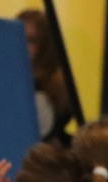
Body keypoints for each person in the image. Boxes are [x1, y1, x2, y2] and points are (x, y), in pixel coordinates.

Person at [16, 9, 73, 146]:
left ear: (45, 45)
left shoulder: (57, 86)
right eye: (18, 38)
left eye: (31, 40)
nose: (23, 45)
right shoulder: (1, 80)